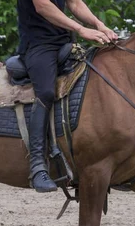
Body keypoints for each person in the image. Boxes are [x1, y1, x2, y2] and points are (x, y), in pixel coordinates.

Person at [17, 0, 118, 192]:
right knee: (46, 93)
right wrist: (81, 29)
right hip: (38, 45)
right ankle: (38, 165)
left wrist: (99, 25)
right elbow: (43, 6)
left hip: (64, 42)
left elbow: (74, 2)